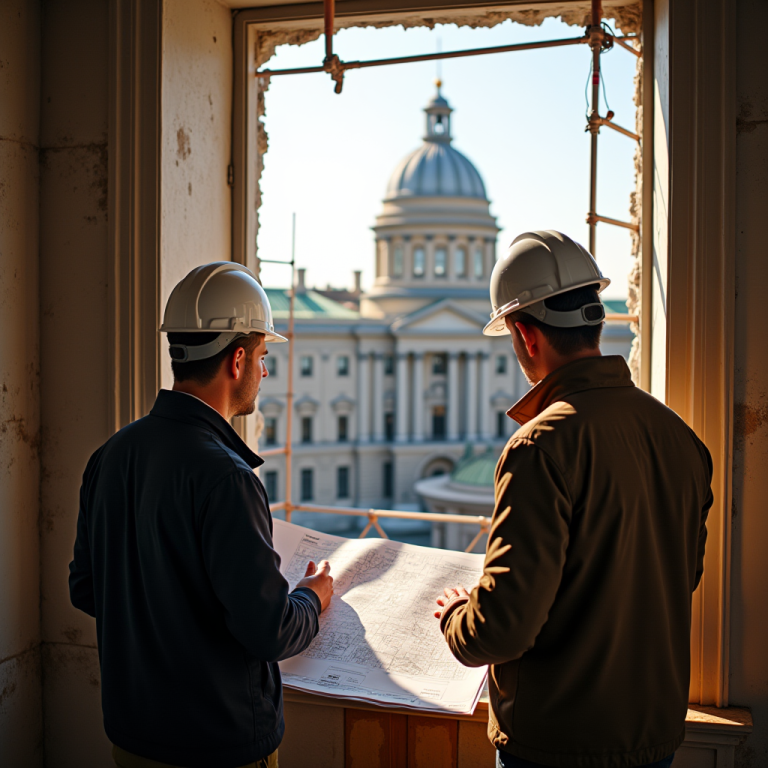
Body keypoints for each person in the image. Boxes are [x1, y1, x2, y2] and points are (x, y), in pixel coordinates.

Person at [434, 231, 712, 768]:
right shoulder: (678, 435)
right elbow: (681, 574)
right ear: (595, 321)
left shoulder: (539, 446)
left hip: (557, 744)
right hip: (652, 735)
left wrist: (455, 617)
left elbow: (500, 631)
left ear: (525, 335)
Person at [69, 263, 333, 768]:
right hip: (218, 747)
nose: (264, 370)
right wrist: (312, 597)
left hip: (131, 738)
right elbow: (271, 632)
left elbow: (86, 589)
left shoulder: (110, 455)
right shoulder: (229, 478)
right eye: (262, 355)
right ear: (237, 360)